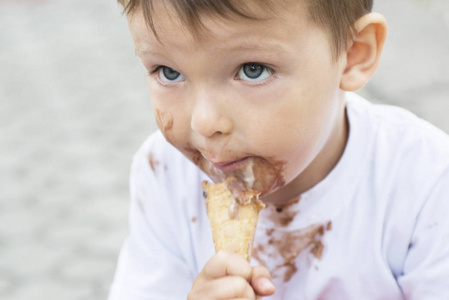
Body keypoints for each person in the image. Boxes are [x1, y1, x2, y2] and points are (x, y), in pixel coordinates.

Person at [109, 0, 449, 299]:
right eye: (168, 72)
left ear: (352, 54)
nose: (204, 121)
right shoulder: (163, 173)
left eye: (252, 70)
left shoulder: (426, 183)